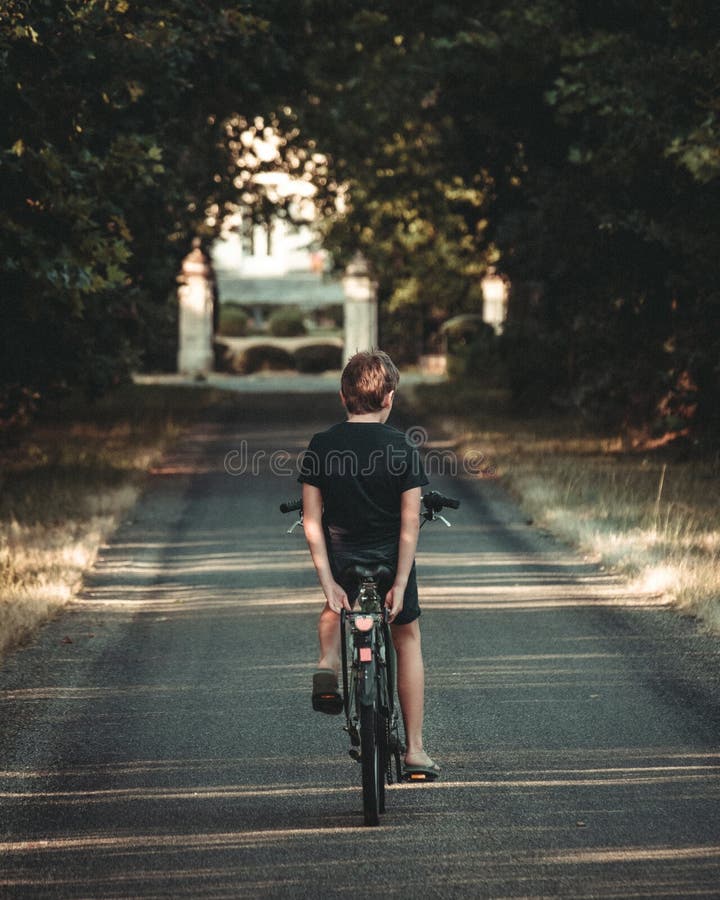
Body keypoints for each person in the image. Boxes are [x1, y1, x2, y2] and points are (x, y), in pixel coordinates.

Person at [298, 349, 440, 778]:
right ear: (390, 398)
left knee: (332, 610)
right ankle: (415, 750)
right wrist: (399, 579)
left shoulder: (322, 445)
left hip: (343, 559)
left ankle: (327, 663)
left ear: (343, 396)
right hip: (387, 560)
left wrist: (327, 581)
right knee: (407, 638)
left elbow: (311, 520)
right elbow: (410, 523)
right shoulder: (401, 446)